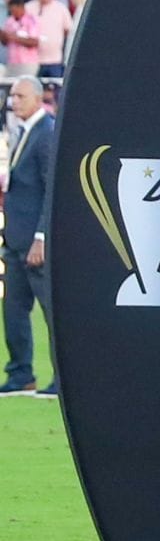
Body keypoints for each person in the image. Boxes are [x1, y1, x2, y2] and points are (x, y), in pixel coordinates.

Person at [0, 76, 53, 395]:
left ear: (37, 97)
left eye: (19, 96)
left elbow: (51, 190)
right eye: (12, 96)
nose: (13, 101)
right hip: (15, 238)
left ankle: (62, 378)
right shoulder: (23, 132)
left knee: (50, 311)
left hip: (34, 242)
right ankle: (21, 373)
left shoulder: (47, 133)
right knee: (14, 310)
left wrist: (42, 236)